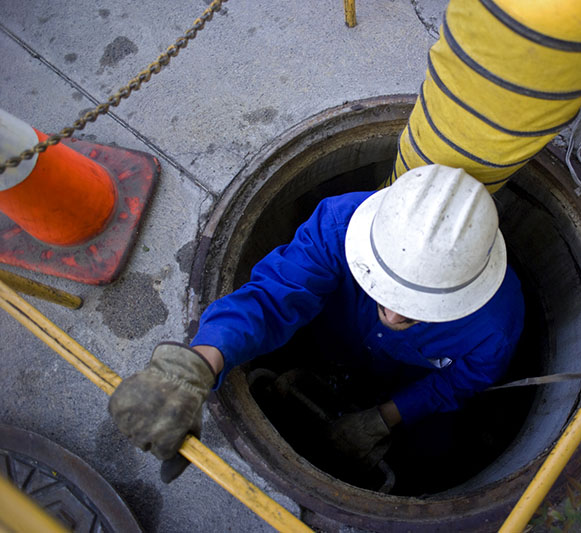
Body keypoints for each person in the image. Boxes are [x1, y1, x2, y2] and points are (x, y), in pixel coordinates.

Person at [109, 164, 525, 481]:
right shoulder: (340, 225)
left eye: (419, 307)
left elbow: (460, 382)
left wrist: (385, 417)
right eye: (385, 289)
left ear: (463, 294)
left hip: (401, 380)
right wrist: (196, 365)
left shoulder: (494, 324)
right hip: (331, 343)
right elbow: (275, 297)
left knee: (438, 450)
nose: (395, 314)